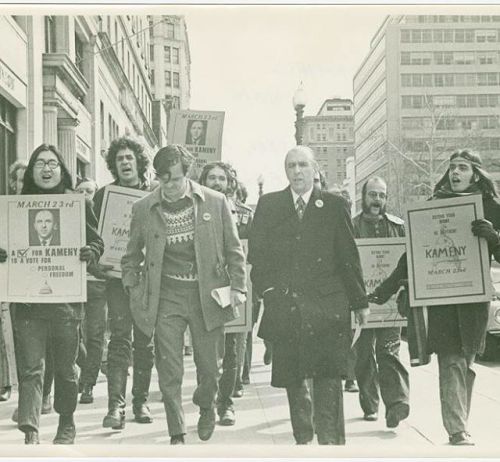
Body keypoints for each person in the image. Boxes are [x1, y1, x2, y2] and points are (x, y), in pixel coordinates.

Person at [370, 150, 500, 446]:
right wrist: (384, 289)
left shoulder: (491, 208)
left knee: (465, 362)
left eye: (462, 168)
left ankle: (459, 422)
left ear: (475, 174)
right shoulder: (432, 206)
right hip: (442, 302)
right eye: (452, 167)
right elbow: (412, 254)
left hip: (473, 301)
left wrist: (494, 237)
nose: (455, 173)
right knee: (450, 360)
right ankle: (456, 429)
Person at [122, 145, 247, 444]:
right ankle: (176, 431)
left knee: (208, 367)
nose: (169, 188)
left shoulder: (214, 203)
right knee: (170, 368)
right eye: (162, 180)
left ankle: (207, 406)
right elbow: (130, 257)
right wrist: (134, 289)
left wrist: (238, 288)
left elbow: (234, 251)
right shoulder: (144, 208)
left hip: (207, 295)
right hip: (167, 297)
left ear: (187, 175)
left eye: (175, 180)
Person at [248, 146, 369, 445]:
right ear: (285, 170)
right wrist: (268, 290)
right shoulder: (270, 205)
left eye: (303, 165)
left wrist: (359, 302)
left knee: (328, 378)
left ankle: (330, 444)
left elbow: (348, 258)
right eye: (291, 166)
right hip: (287, 306)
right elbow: (258, 257)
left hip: (327, 307)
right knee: (294, 378)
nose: (297, 171)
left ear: (315, 169)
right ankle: (303, 441)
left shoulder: (334, 205)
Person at [0, 143, 104, 444]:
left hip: (66, 304)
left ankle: (67, 422)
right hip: (28, 304)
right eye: (40, 163)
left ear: (62, 169)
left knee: (66, 369)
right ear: (31, 170)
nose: (47, 169)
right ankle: (30, 430)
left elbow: (98, 242)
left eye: (53, 163)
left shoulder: (78, 204)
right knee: (31, 367)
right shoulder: (15, 207)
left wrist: (90, 251)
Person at [92, 136, 156, 428]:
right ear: (113, 165)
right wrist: (97, 261)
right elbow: (93, 238)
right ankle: (115, 407)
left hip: (146, 279)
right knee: (119, 337)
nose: (126, 163)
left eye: (130, 158)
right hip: (116, 279)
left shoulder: (154, 194)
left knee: (144, 340)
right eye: (120, 159)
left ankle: (140, 402)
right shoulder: (103, 196)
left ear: (139, 162)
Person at [351, 177, 410, 426]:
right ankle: (370, 404)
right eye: (373, 194)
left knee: (388, 351)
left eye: (382, 195)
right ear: (363, 197)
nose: (377, 200)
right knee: (363, 354)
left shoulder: (398, 227)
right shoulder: (350, 226)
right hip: (361, 303)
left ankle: (396, 404)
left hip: (390, 304)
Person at [198, 161, 253, 426]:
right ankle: (207, 402)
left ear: (229, 183)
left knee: (232, 349)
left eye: (222, 178)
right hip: (202, 289)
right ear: (203, 181)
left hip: (233, 286)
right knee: (206, 350)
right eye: (211, 178)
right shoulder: (193, 210)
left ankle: (226, 404)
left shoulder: (244, 215)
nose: (217, 182)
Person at [75, 177, 109, 405]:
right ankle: (87, 367)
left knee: (95, 335)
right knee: (73, 335)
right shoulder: (69, 217)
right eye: (80, 191)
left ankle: (88, 383)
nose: (85, 195)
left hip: (97, 284)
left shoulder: (104, 221)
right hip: (71, 285)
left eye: (89, 191)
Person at [0, 161, 27, 403]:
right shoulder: (3, 210)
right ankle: (7, 381)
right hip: (7, 279)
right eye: (20, 179)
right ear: (12, 182)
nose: (23, 184)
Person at [328, 184, 359, 394]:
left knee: (351, 334)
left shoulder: (355, 227)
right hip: (331, 291)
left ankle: (350, 376)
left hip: (350, 290)